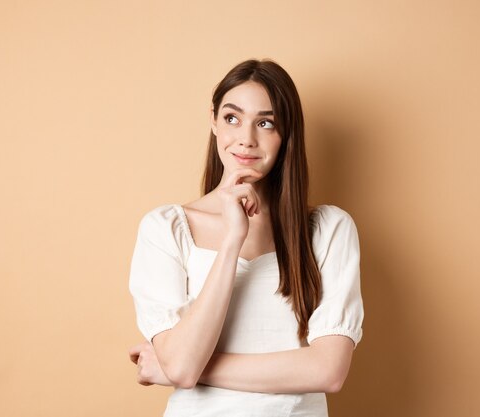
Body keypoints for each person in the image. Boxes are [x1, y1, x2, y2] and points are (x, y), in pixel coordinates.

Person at [128, 58, 364, 416]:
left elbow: (328, 371)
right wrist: (232, 240)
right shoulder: (166, 228)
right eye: (232, 118)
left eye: (265, 123)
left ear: (286, 135)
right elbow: (181, 365)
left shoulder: (327, 231)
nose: (246, 139)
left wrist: (186, 369)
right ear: (213, 121)